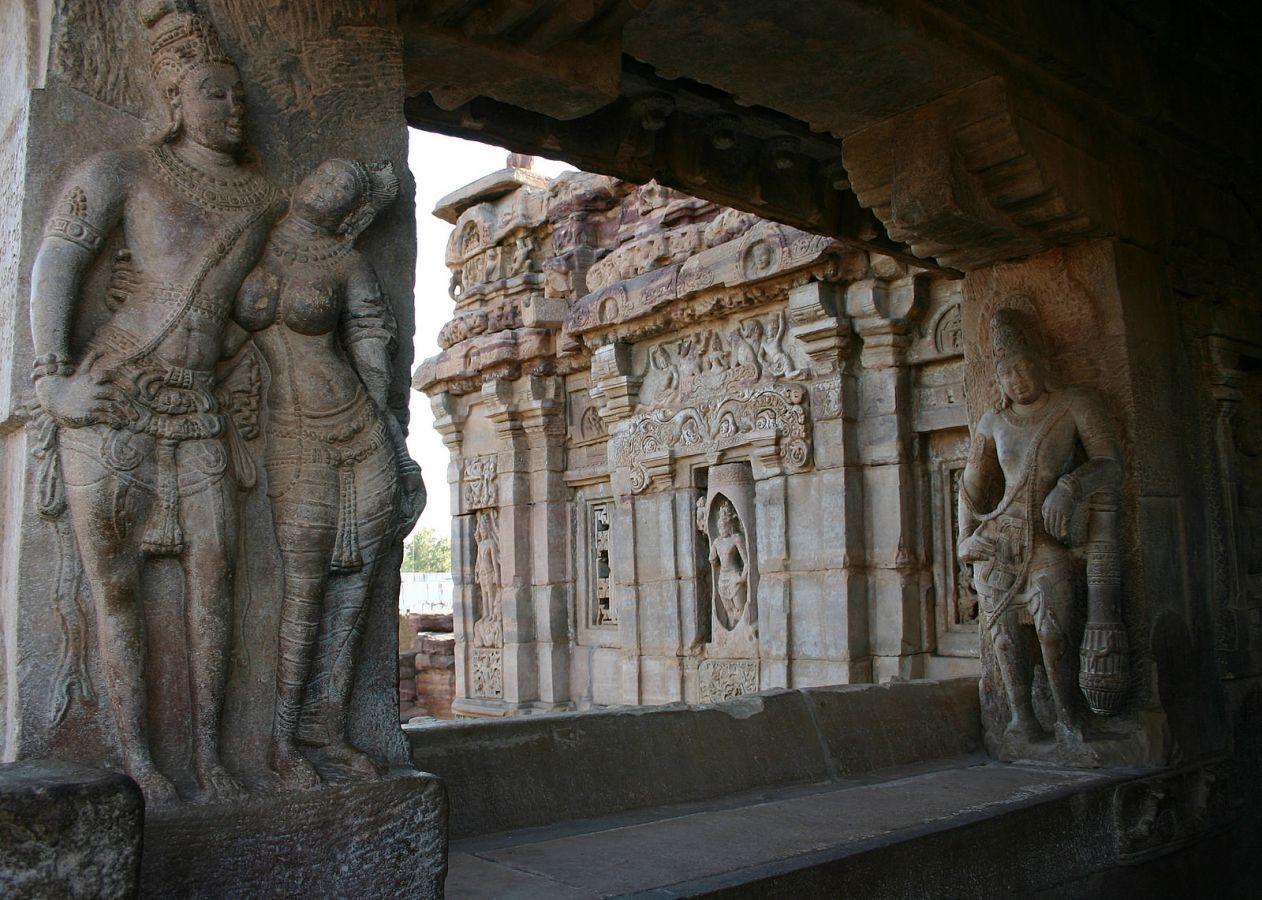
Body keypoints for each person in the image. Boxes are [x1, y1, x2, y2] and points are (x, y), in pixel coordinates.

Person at [28, 0, 282, 804]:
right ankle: (137, 757)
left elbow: (243, 315)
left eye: (237, 93)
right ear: (175, 101)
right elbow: (56, 265)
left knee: (219, 576)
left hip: (198, 404)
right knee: (119, 587)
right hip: (113, 395)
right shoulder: (121, 172)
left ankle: (211, 757)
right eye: (214, 92)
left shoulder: (263, 200)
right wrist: (52, 380)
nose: (232, 106)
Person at [236, 158, 424, 785]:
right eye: (322, 176)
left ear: (351, 211)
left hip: (359, 430)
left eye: (342, 189)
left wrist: (393, 436)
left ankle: (328, 724)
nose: (326, 188)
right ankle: (281, 736)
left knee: (352, 594)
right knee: (303, 579)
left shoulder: (346, 263)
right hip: (291, 432)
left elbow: (371, 341)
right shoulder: (245, 233)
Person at [957, 309, 1122, 744]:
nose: (1016, 379)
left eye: (1023, 367)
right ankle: (1020, 718)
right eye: (1005, 372)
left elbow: (1110, 465)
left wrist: (1071, 486)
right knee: (1005, 638)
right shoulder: (993, 422)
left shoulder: (1075, 405)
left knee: (1052, 629)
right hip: (998, 539)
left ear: (1043, 365)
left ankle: (1070, 714)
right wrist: (964, 540)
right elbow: (971, 489)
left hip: (1048, 539)